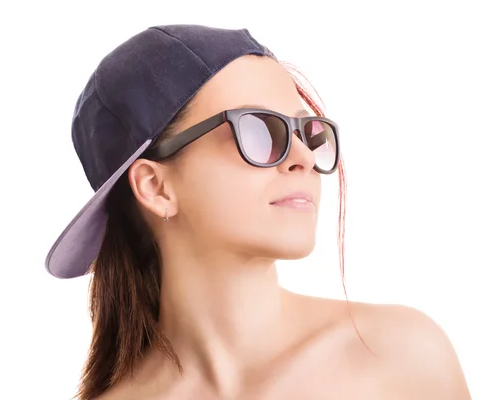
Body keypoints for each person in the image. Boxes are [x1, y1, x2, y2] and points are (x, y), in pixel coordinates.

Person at [45, 24, 471, 400]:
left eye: (308, 130)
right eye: (259, 129)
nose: (304, 155)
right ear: (156, 187)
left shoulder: (402, 355)